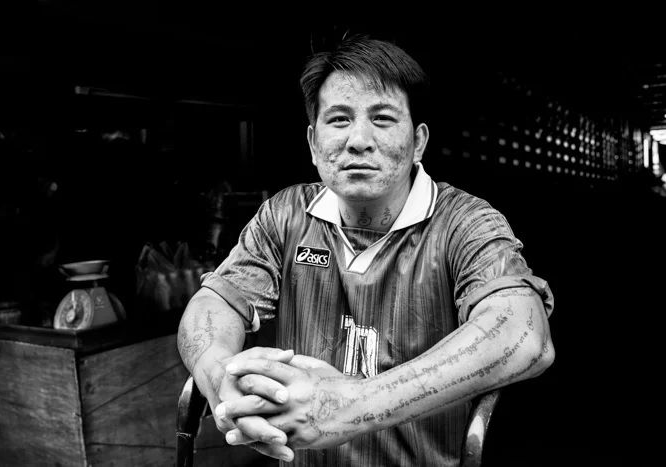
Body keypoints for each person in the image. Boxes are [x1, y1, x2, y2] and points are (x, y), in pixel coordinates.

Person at [178, 35, 555, 467]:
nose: (358, 139)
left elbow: (525, 335)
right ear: (313, 143)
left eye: (382, 118)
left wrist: (350, 406)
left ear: (418, 142)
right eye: (338, 119)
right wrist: (219, 378)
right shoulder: (286, 214)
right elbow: (214, 301)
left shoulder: (464, 221)